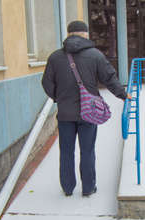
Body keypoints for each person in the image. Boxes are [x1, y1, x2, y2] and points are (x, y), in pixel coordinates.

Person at [42, 20, 130, 197]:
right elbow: (109, 78)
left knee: (66, 151)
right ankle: (88, 188)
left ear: (68, 34)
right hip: (89, 113)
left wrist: (59, 98)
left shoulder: (55, 57)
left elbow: (46, 82)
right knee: (87, 150)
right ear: (85, 34)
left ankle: (68, 188)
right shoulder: (95, 55)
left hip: (65, 114)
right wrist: (122, 94)